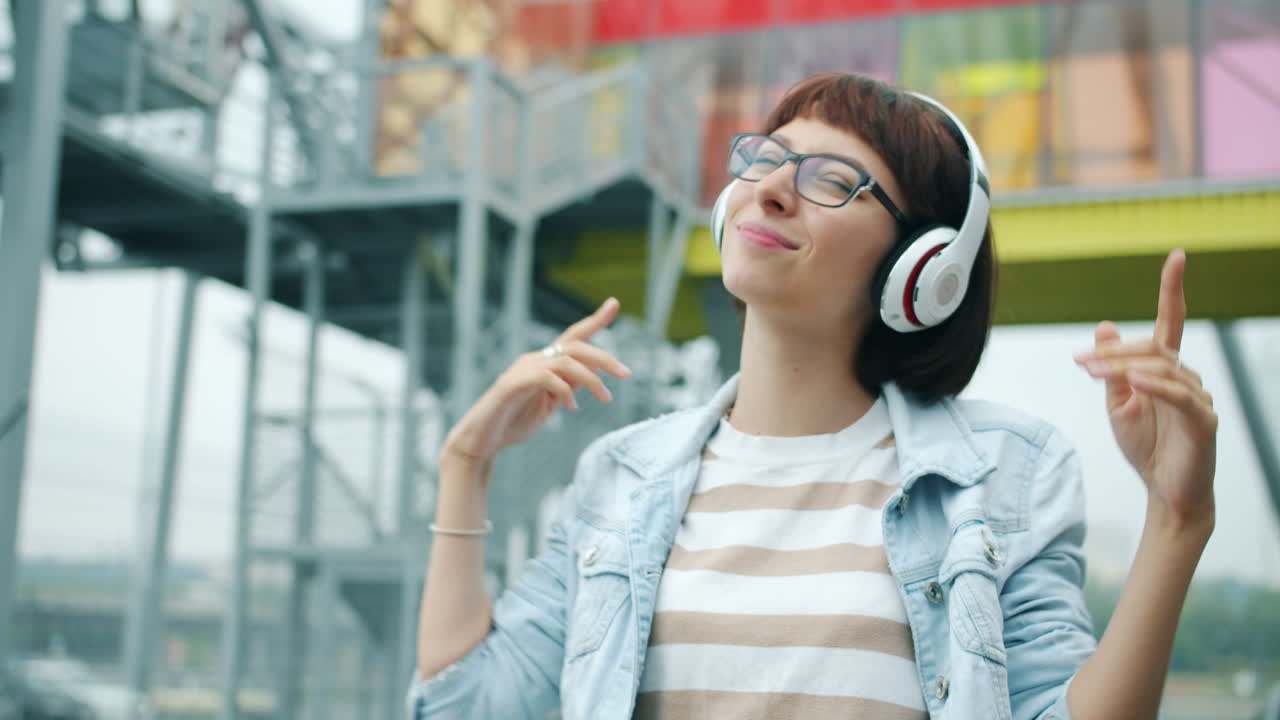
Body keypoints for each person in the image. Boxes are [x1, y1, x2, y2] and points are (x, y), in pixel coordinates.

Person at [406, 72, 1218, 720]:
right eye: (764, 159)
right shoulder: (619, 477)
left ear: (922, 272)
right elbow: (465, 706)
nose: (771, 189)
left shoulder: (1003, 477)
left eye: (834, 180)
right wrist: (465, 461)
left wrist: (1177, 523)